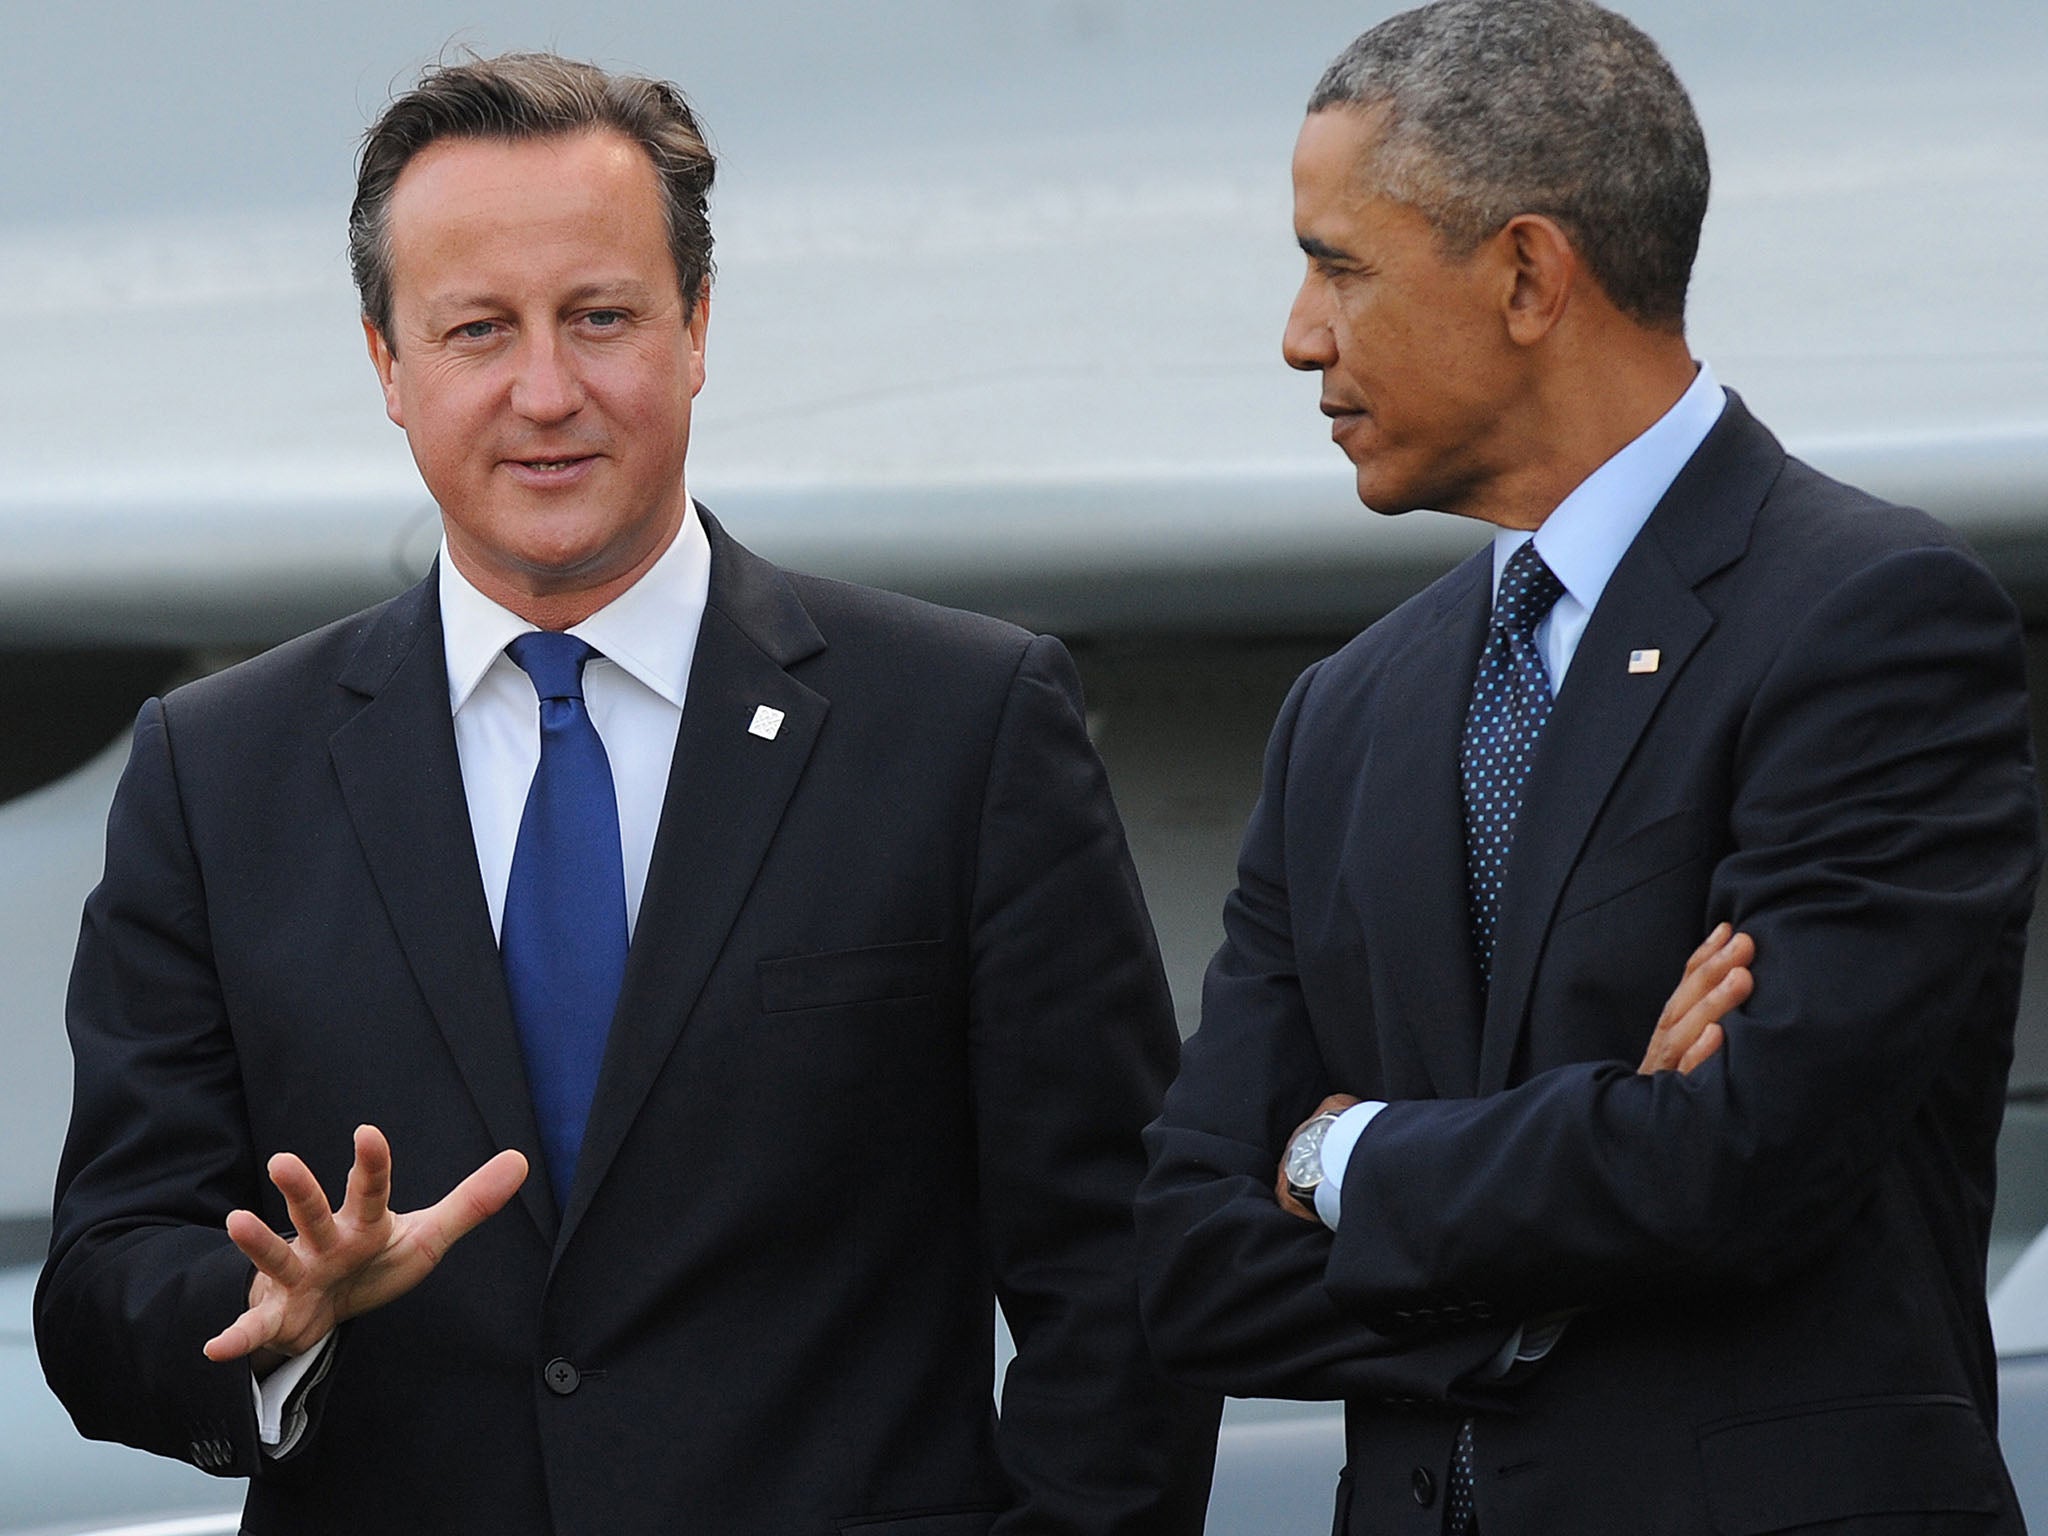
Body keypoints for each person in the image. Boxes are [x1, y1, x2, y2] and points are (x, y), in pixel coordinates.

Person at [37, 52, 1217, 1536]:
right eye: (479, 331)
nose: (548, 392)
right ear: (387, 365)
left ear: (698, 328)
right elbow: (99, 1285)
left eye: (600, 317)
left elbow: (1116, 1271)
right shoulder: (217, 772)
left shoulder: (966, 726)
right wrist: (274, 1315)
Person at [1135, 2, 2041, 1532]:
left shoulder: (1871, 623)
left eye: (1339, 264)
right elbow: (1191, 1258)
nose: (1301, 332)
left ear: (1530, 274)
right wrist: (1603, 1187)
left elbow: (1741, 1164)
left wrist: (1341, 1152)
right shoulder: (1347, 715)